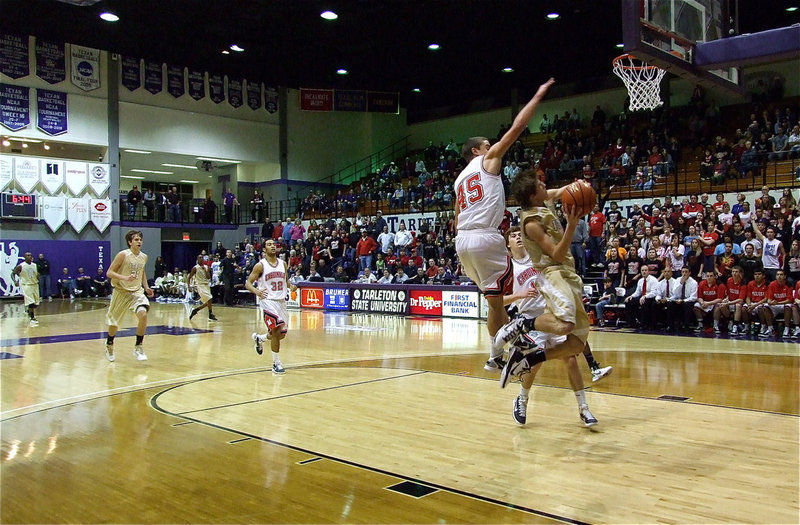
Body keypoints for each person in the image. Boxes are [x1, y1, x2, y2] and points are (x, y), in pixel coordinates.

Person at [454, 77, 555, 372]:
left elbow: (458, 214)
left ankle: (495, 357)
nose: (491, 147)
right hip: (485, 237)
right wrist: (536, 97)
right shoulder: (488, 161)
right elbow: (517, 129)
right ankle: (518, 340)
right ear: (476, 151)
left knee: (495, 302)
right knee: (521, 278)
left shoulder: (459, 180)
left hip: (463, 241)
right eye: (486, 145)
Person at [497, 170, 601, 388]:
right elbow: (557, 255)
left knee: (576, 343)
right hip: (552, 273)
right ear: (533, 195)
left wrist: (580, 183)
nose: (544, 184)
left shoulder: (545, 200)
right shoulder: (531, 223)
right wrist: (572, 225)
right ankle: (521, 324)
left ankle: (532, 358)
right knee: (565, 325)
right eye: (540, 185)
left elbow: (563, 191)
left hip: (568, 273)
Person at [499, 226, 600, 427]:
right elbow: (496, 301)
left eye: (520, 234)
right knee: (534, 365)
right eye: (513, 235)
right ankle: (522, 399)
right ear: (507, 243)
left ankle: (583, 408)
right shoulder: (507, 268)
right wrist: (519, 295)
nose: (518, 237)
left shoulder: (536, 257)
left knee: (570, 359)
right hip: (531, 318)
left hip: (553, 314)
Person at [247, 239, 295, 374]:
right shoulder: (260, 266)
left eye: (274, 244)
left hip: (281, 302)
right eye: (269, 245)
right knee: (276, 330)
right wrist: (257, 291)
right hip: (268, 301)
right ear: (264, 250)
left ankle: (259, 338)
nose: (273, 246)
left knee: (280, 335)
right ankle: (276, 363)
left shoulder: (283, 264)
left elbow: (286, 281)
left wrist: (291, 286)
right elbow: (248, 283)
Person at [104, 230, 154, 362]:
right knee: (114, 323)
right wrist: (124, 277)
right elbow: (109, 273)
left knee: (143, 314)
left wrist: (146, 287)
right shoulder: (123, 255)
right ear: (130, 242)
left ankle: (138, 346)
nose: (139, 242)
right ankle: (109, 344)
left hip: (136, 292)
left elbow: (142, 272)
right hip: (121, 291)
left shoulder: (144, 257)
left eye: (140, 239)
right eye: (136, 239)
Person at [624, 265, 659, 330]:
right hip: (642, 297)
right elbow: (638, 292)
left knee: (644, 302)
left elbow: (654, 292)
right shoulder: (640, 281)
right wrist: (631, 296)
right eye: (642, 270)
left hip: (651, 298)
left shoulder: (654, 280)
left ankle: (644, 324)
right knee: (628, 301)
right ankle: (631, 323)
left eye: (645, 270)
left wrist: (645, 296)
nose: (644, 272)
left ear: (648, 271)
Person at [761, 269, 794, 338]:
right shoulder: (772, 284)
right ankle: (770, 328)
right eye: (777, 275)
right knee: (765, 306)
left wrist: (778, 303)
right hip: (775, 305)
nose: (779, 276)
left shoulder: (789, 284)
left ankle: (787, 329)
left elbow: (789, 300)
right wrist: (770, 302)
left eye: (781, 275)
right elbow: (769, 299)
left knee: (788, 306)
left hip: (783, 304)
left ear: (785, 276)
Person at [13, 252, 40, 326]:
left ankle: (27, 310)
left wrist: (38, 276)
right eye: (28, 255)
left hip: (35, 284)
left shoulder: (35, 265)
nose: (30, 256)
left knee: (36, 303)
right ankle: (32, 318)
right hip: (26, 285)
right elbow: (13, 273)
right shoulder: (21, 266)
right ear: (25, 257)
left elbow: (36, 274)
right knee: (31, 302)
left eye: (31, 255)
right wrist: (15, 281)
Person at [188, 254, 217, 321]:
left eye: (202, 258)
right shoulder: (195, 268)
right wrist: (189, 286)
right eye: (199, 258)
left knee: (208, 302)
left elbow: (208, 277)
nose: (201, 259)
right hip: (200, 285)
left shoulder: (206, 267)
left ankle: (195, 310)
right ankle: (210, 314)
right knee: (210, 299)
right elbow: (189, 277)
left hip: (206, 285)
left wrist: (205, 270)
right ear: (197, 259)